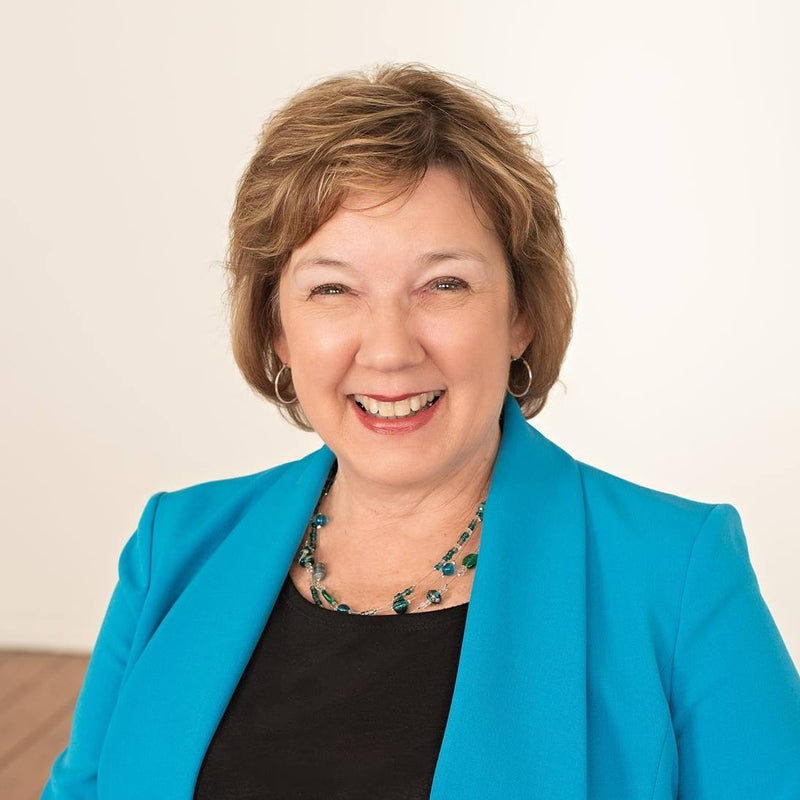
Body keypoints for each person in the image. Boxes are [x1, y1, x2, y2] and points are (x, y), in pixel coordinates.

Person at [42, 63, 800, 800]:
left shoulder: (676, 576)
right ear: (277, 328)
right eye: (332, 288)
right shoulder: (174, 547)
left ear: (521, 314)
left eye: (444, 284)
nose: (389, 349)